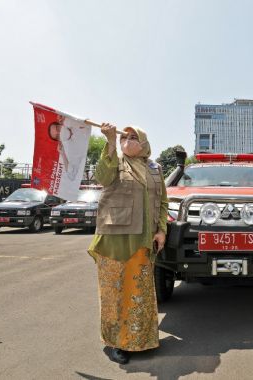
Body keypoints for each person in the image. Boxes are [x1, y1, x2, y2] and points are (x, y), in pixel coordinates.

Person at [88, 123, 169, 364]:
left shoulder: (155, 169)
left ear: (143, 144)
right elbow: (102, 176)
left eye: (133, 137)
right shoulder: (116, 161)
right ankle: (116, 343)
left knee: (139, 293)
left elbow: (163, 202)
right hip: (115, 240)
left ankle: (141, 340)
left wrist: (161, 230)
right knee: (115, 293)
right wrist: (110, 141)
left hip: (143, 241)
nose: (128, 140)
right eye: (126, 137)